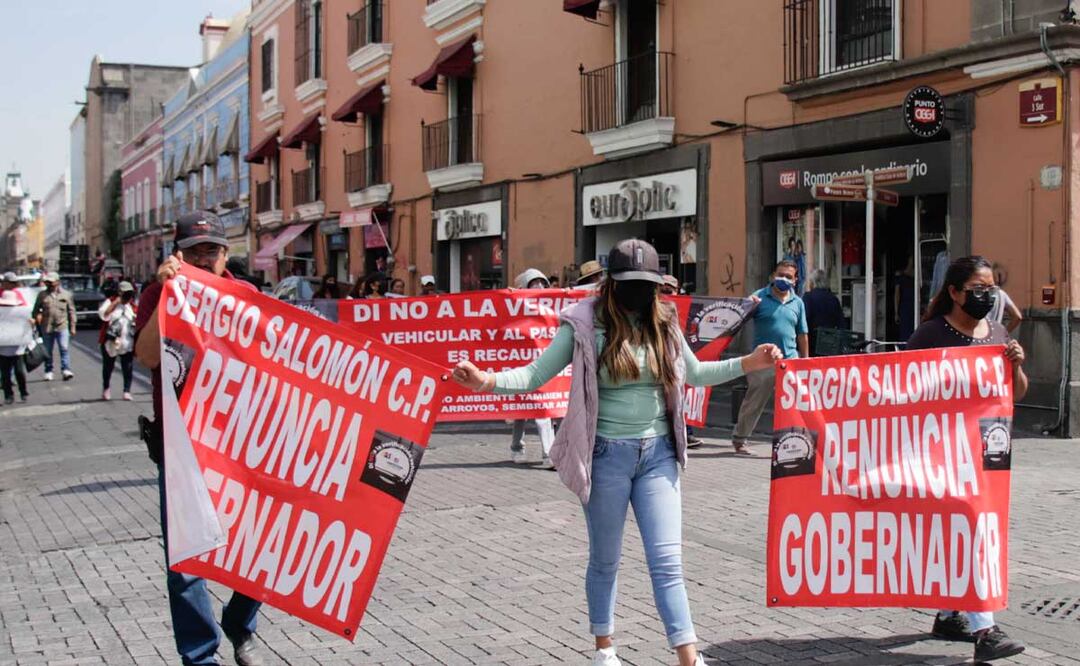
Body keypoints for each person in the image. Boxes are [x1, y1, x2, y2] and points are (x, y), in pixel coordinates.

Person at [453, 239, 780, 666]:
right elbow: (536, 374)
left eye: (649, 285)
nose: (641, 293)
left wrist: (749, 362)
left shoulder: (662, 319)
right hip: (605, 454)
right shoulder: (583, 323)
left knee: (667, 561)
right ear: (612, 283)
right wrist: (485, 381)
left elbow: (696, 372)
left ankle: (689, 658)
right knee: (605, 560)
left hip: (659, 455)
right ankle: (605, 651)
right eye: (633, 284)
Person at [132, 212, 264, 666]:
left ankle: (240, 623)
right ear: (177, 255)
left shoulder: (246, 296)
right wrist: (169, 293)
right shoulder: (157, 294)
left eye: (211, 251)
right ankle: (200, 657)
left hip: (240, 446)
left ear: (226, 254)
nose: (203, 260)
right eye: (194, 252)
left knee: (260, 547)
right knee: (185, 564)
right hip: (181, 450)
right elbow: (148, 355)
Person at [905, 256, 1027, 663]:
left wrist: (1016, 366)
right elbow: (899, 389)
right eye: (977, 287)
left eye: (991, 287)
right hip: (940, 454)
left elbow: (1016, 393)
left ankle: (947, 615)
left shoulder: (994, 331)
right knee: (971, 530)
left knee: (961, 532)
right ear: (954, 292)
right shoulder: (930, 335)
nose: (985, 295)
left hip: (983, 457)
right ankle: (985, 631)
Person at [731, 260, 808, 454]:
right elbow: (738, 317)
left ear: (795, 280)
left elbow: (802, 334)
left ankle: (796, 442)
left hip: (789, 361)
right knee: (754, 401)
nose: (783, 279)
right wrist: (747, 305)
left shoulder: (797, 302)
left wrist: (805, 361)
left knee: (793, 405)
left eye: (788, 276)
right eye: (780, 275)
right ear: (773, 276)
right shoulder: (759, 297)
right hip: (762, 362)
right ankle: (740, 439)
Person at [510, 268, 558, 468]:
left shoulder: (550, 309)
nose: (539, 287)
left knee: (543, 410)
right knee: (521, 412)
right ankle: (516, 447)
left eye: (542, 283)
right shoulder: (514, 309)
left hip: (542, 365)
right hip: (521, 366)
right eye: (534, 283)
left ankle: (549, 454)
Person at [32, 271, 76, 381]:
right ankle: (48, 370)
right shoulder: (42, 295)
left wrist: (73, 327)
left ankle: (66, 369)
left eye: (51, 282)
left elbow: (71, 311)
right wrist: (37, 319)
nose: (49, 284)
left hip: (62, 326)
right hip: (47, 327)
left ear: (57, 282)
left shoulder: (66, 294)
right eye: (47, 282)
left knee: (64, 348)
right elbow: (35, 311)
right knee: (48, 350)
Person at [99, 281, 137, 401]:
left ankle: (126, 391)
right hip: (111, 342)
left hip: (127, 342)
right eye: (125, 293)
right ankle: (106, 389)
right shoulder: (110, 301)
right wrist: (116, 302)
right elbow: (104, 315)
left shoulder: (132, 306)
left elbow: (138, 318)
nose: (127, 297)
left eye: (129, 294)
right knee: (108, 367)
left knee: (128, 367)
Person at [0, 272, 32, 404]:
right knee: (5, 373)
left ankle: (23, 392)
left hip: (17, 343)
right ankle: (9, 395)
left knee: (19, 371)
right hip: (3, 343)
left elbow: (27, 316)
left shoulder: (19, 298)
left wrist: (31, 322)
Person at [802, 268, 845, 355]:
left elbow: (805, 320)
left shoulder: (808, 297)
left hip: (813, 341)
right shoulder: (833, 299)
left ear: (812, 282)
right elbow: (841, 322)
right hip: (831, 341)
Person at [893, 257, 917, 342]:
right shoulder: (900, 276)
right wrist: (896, 312)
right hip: (905, 307)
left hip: (914, 306)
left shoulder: (917, 274)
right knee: (905, 332)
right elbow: (897, 294)